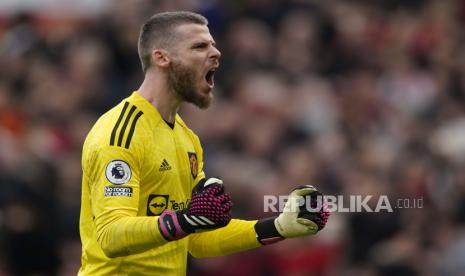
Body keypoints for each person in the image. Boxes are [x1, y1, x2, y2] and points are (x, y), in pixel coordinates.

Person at [78, 11, 329, 275]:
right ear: (162, 58)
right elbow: (111, 236)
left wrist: (277, 227)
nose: (216, 53)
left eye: (213, 44)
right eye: (199, 46)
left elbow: (197, 240)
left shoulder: (187, 138)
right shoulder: (122, 134)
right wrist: (185, 219)